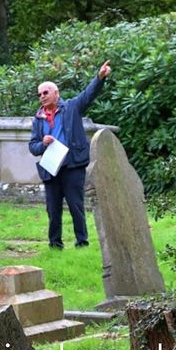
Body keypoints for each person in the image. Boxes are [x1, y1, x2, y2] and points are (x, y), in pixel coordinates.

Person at [28, 61, 112, 249]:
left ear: (56, 93)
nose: (42, 97)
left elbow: (88, 95)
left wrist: (99, 78)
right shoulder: (38, 119)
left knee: (76, 206)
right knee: (53, 210)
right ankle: (55, 244)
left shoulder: (72, 107)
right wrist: (43, 143)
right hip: (51, 169)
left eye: (45, 93)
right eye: (39, 94)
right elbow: (33, 147)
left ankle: (82, 242)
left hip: (72, 165)